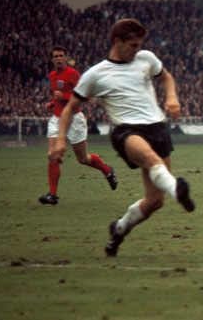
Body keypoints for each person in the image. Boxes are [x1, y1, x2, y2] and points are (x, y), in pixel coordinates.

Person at [49, 19, 195, 257]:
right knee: (149, 158)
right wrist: (60, 141)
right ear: (117, 41)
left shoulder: (146, 58)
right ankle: (176, 189)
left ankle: (119, 228)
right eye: (133, 45)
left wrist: (172, 97)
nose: (137, 50)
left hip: (157, 127)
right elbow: (70, 107)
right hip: (126, 131)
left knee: (154, 202)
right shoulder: (95, 74)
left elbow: (166, 77)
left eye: (139, 45)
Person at [39, 46, 118, 205]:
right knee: (52, 154)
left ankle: (107, 170)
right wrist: (53, 103)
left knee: (82, 158)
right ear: (52, 59)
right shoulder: (52, 75)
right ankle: (52, 195)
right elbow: (58, 97)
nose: (59, 58)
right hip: (57, 119)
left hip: (74, 119)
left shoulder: (73, 74)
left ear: (66, 57)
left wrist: (65, 96)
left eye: (62, 56)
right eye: (56, 56)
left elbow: (86, 96)